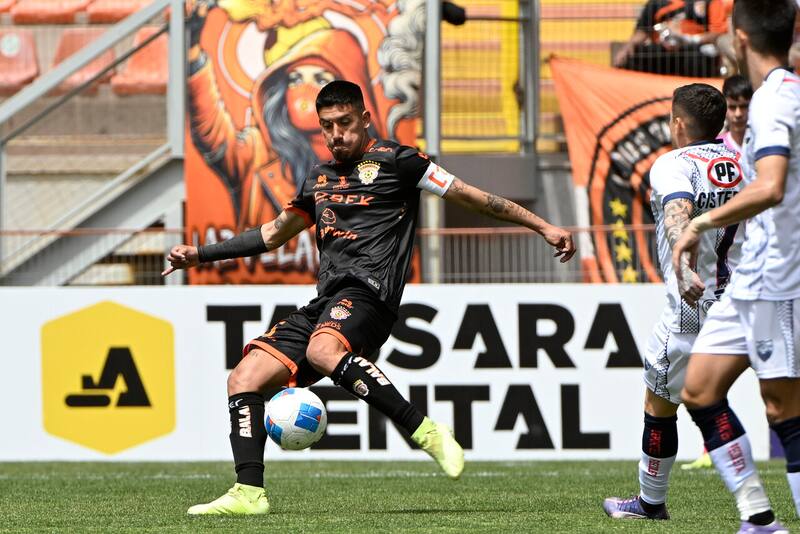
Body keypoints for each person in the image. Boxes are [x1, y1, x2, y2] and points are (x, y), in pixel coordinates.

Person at [163, 80, 576, 515]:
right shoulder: (318, 178)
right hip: (326, 301)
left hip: (370, 296)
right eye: (327, 127)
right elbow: (271, 234)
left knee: (323, 351)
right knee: (243, 378)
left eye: (344, 123)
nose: (336, 134)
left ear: (365, 118)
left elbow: (474, 197)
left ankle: (425, 431)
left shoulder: (401, 162)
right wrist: (201, 254)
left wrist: (544, 226)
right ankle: (249, 492)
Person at [671, 0, 799, 532]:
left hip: (776, 280)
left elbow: (770, 187)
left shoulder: (773, 100)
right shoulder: (782, 93)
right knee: (699, 389)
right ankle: (759, 519)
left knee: (783, 409)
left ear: (740, 38)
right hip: (750, 279)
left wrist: (700, 224)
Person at [602, 83, 745, 520]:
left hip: (695, 307)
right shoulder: (742, 161)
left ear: (678, 123)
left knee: (663, 403)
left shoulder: (672, 164)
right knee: (782, 401)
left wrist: (683, 270)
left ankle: (650, 503)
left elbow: (677, 213)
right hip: (748, 298)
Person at [682, 73, 753, 472]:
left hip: (753, 282)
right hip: (715, 288)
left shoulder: (762, 151)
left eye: (746, 106)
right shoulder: (718, 154)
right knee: (699, 384)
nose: (741, 114)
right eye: (735, 106)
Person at [614, 0, 728, 77]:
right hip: (663, 53)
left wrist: (688, 39)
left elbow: (717, 32)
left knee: (698, 55)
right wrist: (628, 47)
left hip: (694, 52)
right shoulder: (656, 3)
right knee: (633, 56)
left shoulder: (710, 1)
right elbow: (642, 32)